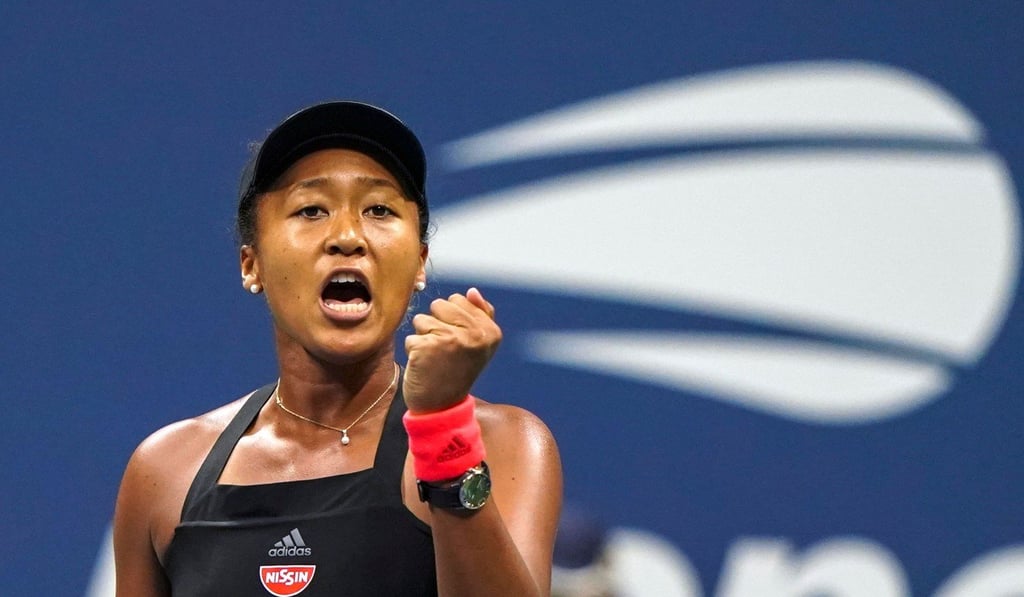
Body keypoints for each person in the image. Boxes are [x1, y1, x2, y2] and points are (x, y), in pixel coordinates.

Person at [112, 101, 563, 596]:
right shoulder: (164, 472)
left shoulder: (505, 442)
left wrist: (441, 428)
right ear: (251, 264)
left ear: (419, 263)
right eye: (311, 210)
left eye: (379, 210)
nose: (348, 236)